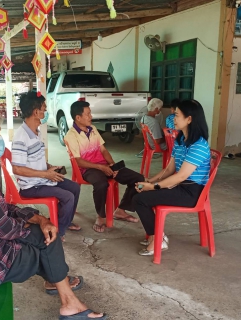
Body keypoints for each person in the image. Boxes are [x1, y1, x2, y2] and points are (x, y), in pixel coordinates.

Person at [0, 107, 106, 320]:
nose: (0, 139)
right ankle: (68, 303)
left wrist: (37, 217)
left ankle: (55, 278)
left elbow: (1, 206)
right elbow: (5, 229)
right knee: (49, 237)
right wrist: (39, 225)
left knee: (42, 231)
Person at [132, 99, 211, 256]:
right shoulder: (181, 140)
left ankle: (158, 239)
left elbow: (181, 176)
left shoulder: (199, 145)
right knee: (139, 191)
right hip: (181, 186)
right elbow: (169, 169)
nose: (173, 119)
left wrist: (153, 187)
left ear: (189, 119)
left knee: (140, 199)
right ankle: (156, 236)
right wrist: (150, 181)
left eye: (177, 115)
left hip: (192, 193)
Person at [11, 92, 81, 241]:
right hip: (31, 187)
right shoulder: (21, 137)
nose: (46, 111)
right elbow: (17, 169)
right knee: (67, 196)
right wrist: (45, 174)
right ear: (36, 112)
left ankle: (64, 221)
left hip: (42, 180)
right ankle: (58, 232)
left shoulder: (35, 132)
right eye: (44, 108)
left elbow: (35, 159)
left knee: (75, 187)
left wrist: (50, 167)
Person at [64, 101, 143, 233]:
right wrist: (101, 168)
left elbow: (103, 150)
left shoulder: (93, 129)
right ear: (78, 118)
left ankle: (121, 210)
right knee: (101, 184)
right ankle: (100, 216)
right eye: (88, 114)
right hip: (88, 169)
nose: (91, 116)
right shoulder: (70, 136)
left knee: (138, 178)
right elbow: (78, 161)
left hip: (104, 165)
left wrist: (112, 165)